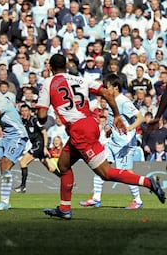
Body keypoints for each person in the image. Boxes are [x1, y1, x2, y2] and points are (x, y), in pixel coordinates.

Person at [37, 54, 165, 220]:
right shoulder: (80, 80)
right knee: (63, 164)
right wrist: (117, 114)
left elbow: (41, 114)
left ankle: (148, 183)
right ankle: (64, 208)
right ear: (66, 67)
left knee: (105, 173)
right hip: (89, 124)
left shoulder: (48, 83)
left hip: (79, 130)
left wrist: (41, 117)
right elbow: (105, 92)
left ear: (50, 68)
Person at [79, 74, 145, 210]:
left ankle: (137, 200)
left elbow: (140, 118)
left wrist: (128, 128)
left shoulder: (123, 101)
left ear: (115, 87)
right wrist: (109, 128)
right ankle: (96, 198)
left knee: (126, 172)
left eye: (107, 86)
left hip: (125, 144)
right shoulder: (111, 100)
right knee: (99, 164)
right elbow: (114, 117)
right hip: (113, 141)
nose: (105, 89)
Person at [13, 104, 59, 194]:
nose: (24, 113)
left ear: (30, 112)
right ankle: (68, 182)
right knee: (51, 168)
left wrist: (45, 147)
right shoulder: (23, 122)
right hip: (35, 145)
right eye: (22, 111)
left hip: (39, 145)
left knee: (23, 162)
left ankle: (23, 186)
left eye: (26, 111)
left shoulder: (34, 120)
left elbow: (44, 133)